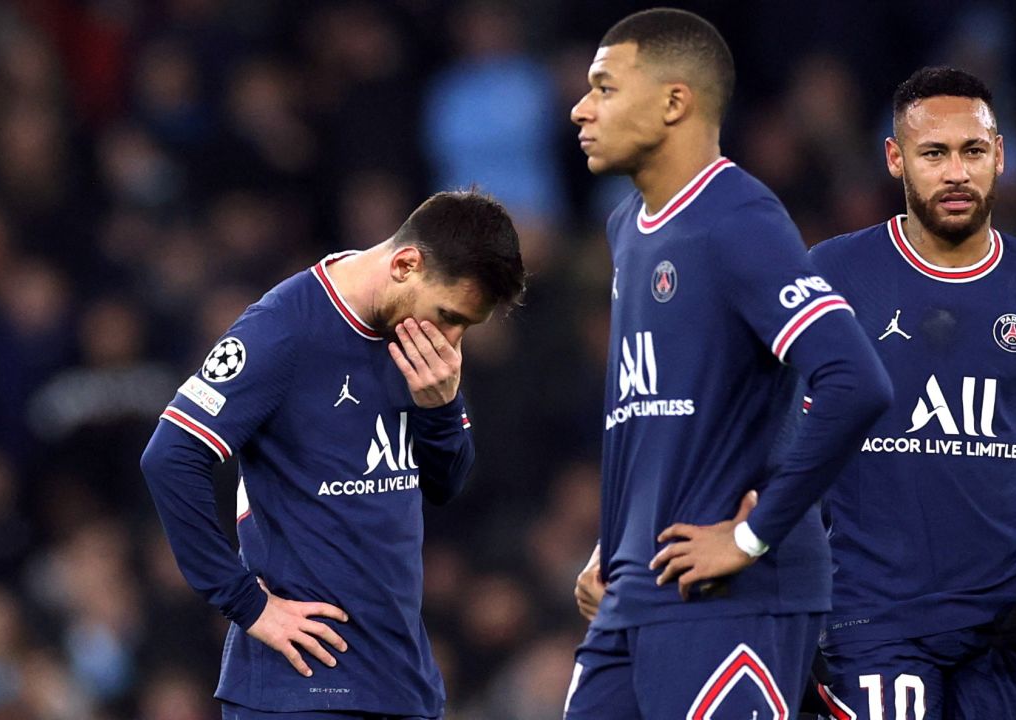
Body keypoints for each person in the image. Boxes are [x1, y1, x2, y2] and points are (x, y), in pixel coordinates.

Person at [565, 9, 892, 718]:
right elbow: (663, 415)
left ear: (674, 101)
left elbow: (855, 379)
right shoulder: (628, 227)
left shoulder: (737, 218)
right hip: (637, 590)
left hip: (728, 599)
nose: (580, 108)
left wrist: (753, 533)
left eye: (605, 87)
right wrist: (613, 543)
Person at [139, 190, 524, 720]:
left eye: (465, 327)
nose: (452, 339)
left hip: (402, 681)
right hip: (301, 687)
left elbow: (445, 485)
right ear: (406, 264)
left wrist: (441, 406)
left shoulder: (418, 341)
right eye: (449, 315)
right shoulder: (282, 329)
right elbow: (170, 456)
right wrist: (246, 604)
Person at [808, 67, 1016, 719]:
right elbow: (783, 453)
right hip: (874, 626)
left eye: (972, 151)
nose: (955, 172)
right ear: (896, 158)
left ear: (999, 154)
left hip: (1006, 634)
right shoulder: (833, 276)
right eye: (933, 152)